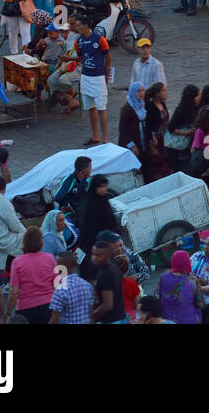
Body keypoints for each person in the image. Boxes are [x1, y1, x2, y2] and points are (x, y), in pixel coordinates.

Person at [72, 13, 110, 146]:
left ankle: (105, 138)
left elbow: (108, 58)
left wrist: (106, 75)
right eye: (76, 26)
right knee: (90, 108)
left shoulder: (100, 40)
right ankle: (95, 136)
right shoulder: (78, 42)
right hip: (86, 77)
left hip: (98, 77)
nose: (77, 28)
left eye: (79, 26)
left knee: (101, 108)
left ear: (86, 25)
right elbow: (81, 57)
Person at [6, 228, 57, 324]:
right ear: (41, 242)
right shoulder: (50, 258)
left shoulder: (17, 262)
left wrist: (8, 313)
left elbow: (14, 292)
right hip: (48, 306)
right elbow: (57, 285)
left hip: (26, 307)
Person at [76, 175, 121, 256]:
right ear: (95, 187)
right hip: (94, 241)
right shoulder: (89, 202)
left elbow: (110, 217)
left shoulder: (104, 199)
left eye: (106, 186)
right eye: (102, 186)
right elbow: (88, 225)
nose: (105, 188)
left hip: (108, 237)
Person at [158, 250, 202, 324]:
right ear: (187, 263)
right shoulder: (193, 281)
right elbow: (200, 303)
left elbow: (159, 295)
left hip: (167, 320)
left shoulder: (163, 277)